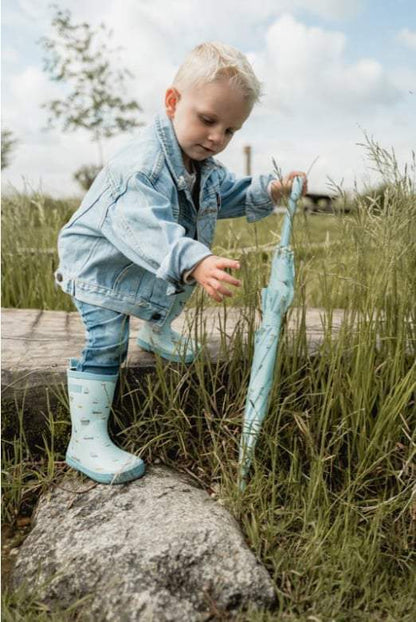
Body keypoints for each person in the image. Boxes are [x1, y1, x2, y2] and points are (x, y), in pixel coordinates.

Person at [55, 41, 307, 485]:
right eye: (208, 120)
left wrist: (269, 192)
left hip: (149, 265)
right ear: (173, 102)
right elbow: (149, 230)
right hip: (99, 266)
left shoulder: (202, 163)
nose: (217, 138)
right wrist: (196, 259)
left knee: (178, 286)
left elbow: (226, 195)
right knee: (108, 340)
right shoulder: (140, 167)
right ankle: (86, 437)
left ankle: (155, 331)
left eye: (230, 130)